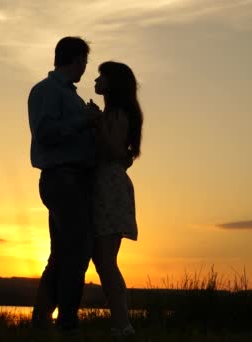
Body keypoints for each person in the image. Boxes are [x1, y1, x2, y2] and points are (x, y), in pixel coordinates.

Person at [27, 36, 101, 331]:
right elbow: (44, 133)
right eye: (84, 61)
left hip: (73, 180)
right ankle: (67, 322)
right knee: (79, 250)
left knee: (62, 253)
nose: (85, 68)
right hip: (62, 179)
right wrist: (85, 120)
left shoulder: (69, 95)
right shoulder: (47, 91)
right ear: (76, 60)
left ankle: (42, 321)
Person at [91, 61, 143, 337]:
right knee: (103, 260)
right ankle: (121, 324)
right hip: (108, 185)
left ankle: (122, 325)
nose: (96, 80)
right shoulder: (114, 112)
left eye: (102, 76)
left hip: (109, 187)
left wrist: (95, 122)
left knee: (105, 259)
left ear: (114, 83)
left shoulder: (117, 113)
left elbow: (112, 150)